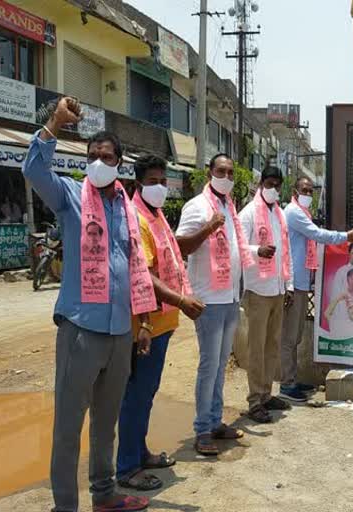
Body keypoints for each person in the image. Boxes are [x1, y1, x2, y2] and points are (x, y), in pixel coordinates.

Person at [23, 97, 157, 512]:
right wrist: (54, 124)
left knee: (106, 424)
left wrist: (145, 322)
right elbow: (33, 170)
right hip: (81, 330)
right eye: (94, 156)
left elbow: (135, 266)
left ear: (119, 163)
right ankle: (65, 505)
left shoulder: (128, 210)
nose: (101, 161)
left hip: (120, 333)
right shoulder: (70, 197)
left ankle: (104, 494)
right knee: (68, 425)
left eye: (108, 156)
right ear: (86, 160)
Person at [115, 154, 206, 489]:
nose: (159, 187)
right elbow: (143, 274)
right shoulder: (137, 217)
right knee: (136, 395)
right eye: (152, 181)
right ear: (138, 183)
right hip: (145, 324)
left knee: (146, 392)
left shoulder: (156, 215)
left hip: (162, 321)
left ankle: (139, 452)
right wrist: (181, 300)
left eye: (163, 181)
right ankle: (126, 468)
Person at [176, 153, 254, 454]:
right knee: (209, 366)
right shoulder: (197, 207)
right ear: (210, 173)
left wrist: (257, 252)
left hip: (231, 296)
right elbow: (181, 244)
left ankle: (215, 420)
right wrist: (208, 227)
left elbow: (237, 247)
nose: (226, 176)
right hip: (208, 299)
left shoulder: (229, 208)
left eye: (231, 172)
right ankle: (202, 429)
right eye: (221, 171)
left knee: (221, 365)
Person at [280, 177, 353, 402]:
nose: (307, 193)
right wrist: (345, 237)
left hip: (303, 283)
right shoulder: (293, 212)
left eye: (310, 190)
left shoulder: (302, 213)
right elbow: (317, 235)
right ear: (295, 191)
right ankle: (287, 384)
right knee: (289, 337)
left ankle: (291, 379)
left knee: (295, 336)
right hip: (294, 284)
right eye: (304, 189)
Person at [238, 166, 294, 423]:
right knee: (256, 347)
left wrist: (289, 285)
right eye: (269, 184)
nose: (273, 190)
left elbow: (286, 252)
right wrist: (256, 250)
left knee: (272, 345)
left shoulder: (280, 214)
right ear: (261, 184)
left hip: (277, 289)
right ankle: (254, 400)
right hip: (257, 289)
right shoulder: (249, 212)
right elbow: (237, 244)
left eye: (277, 185)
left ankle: (266, 394)